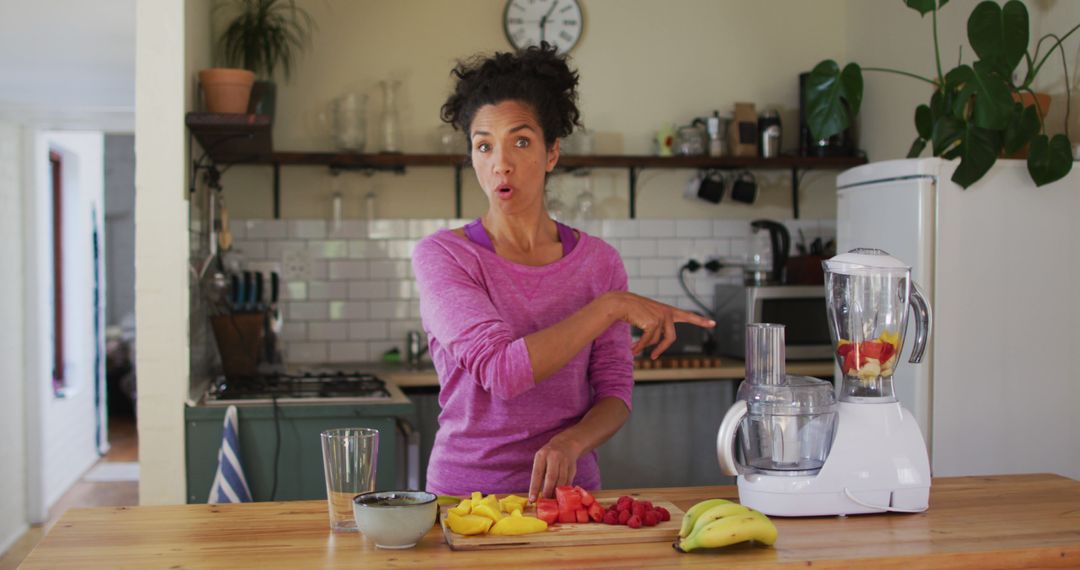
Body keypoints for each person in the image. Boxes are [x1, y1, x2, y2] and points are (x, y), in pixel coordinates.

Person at [412, 43, 714, 502]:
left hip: (570, 499)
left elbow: (615, 392)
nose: (501, 163)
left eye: (520, 141)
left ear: (552, 153)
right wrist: (611, 306)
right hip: (467, 501)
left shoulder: (599, 262)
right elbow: (501, 371)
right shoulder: (444, 256)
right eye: (483, 146)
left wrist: (572, 442)